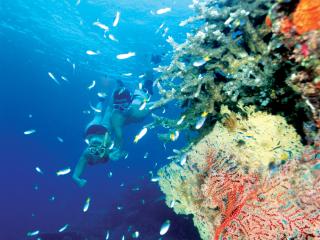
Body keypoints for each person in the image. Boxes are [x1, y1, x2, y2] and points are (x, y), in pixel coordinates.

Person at [72, 94, 118, 187]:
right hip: (92, 132)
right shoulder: (88, 154)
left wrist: (77, 179)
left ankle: (111, 95)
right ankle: (102, 100)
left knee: (107, 112)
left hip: (102, 132)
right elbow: (76, 174)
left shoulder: (103, 154)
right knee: (98, 115)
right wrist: (77, 179)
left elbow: (76, 173)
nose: (96, 151)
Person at [110, 72, 155, 151]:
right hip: (133, 100)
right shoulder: (115, 117)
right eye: (117, 107)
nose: (121, 110)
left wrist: (164, 104)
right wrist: (116, 150)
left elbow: (158, 104)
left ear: (130, 103)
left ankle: (149, 70)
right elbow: (119, 137)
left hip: (141, 97)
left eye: (123, 107)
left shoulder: (139, 112)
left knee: (147, 84)